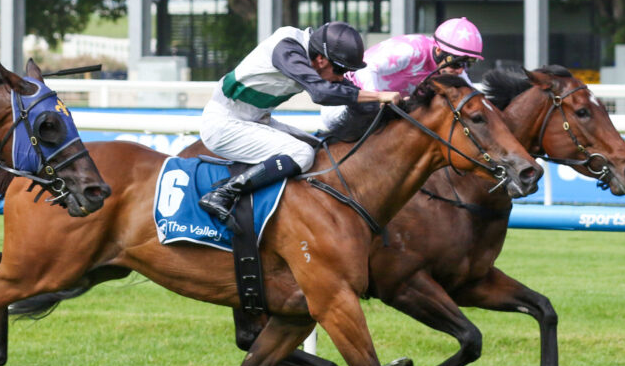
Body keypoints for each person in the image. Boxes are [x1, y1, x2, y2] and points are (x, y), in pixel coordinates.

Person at [198, 21, 401, 229]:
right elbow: (321, 93)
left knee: (319, 151)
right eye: (341, 70)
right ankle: (223, 194)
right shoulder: (287, 49)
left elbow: (348, 92)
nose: (341, 77)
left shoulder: (315, 59)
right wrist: (377, 95)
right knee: (302, 155)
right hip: (223, 125)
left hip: (253, 121)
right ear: (321, 60)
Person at [321, 16, 484, 133]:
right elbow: (365, 69)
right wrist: (379, 100)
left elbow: (471, 98)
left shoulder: (450, 68)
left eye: (467, 64)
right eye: (456, 63)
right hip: (342, 105)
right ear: (439, 50)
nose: (460, 71)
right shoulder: (411, 49)